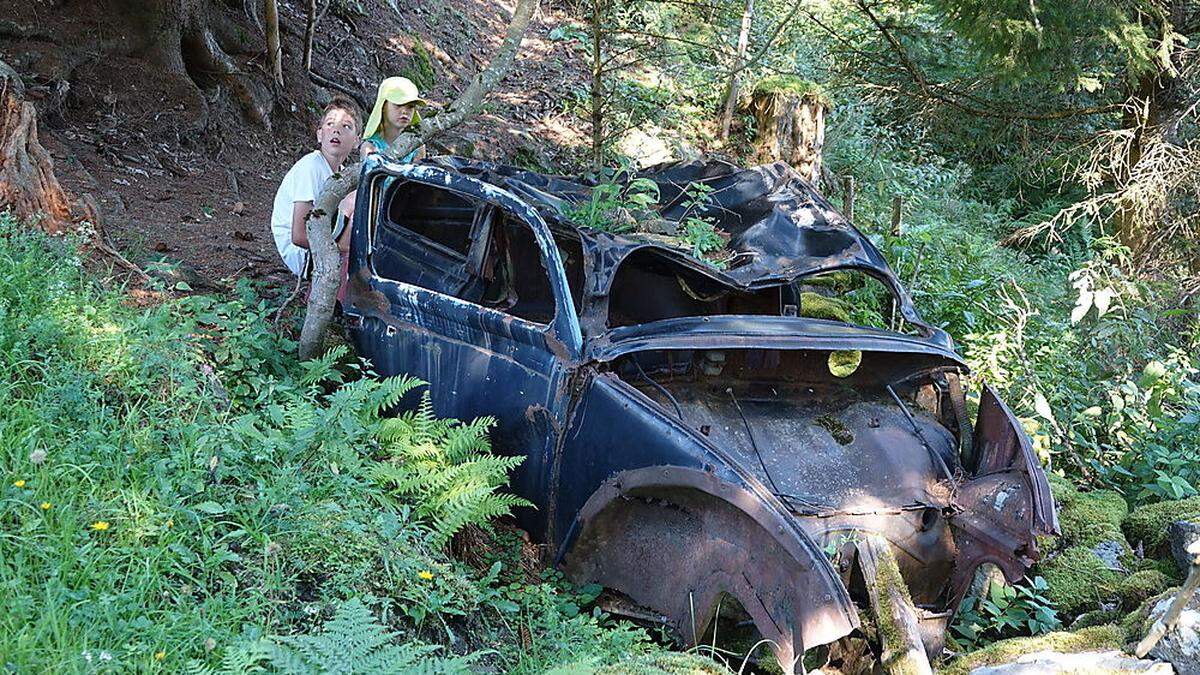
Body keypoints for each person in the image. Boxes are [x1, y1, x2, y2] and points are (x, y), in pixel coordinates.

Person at [270, 96, 362, 277]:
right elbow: (298, 235)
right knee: (356, 199)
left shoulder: (341, 173)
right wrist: (339, 249)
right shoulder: (311, 166)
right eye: (330, 124)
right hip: (303, 255)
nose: (336, 131)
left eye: (346, 127)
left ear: (357, 141)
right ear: (320, 134)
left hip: (324, 243)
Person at [360, 76, 427, 161]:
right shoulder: (371, 147)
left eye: (411, 106)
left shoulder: (416, 145)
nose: (404, 111)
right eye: (398, 104)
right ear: (383, 106)